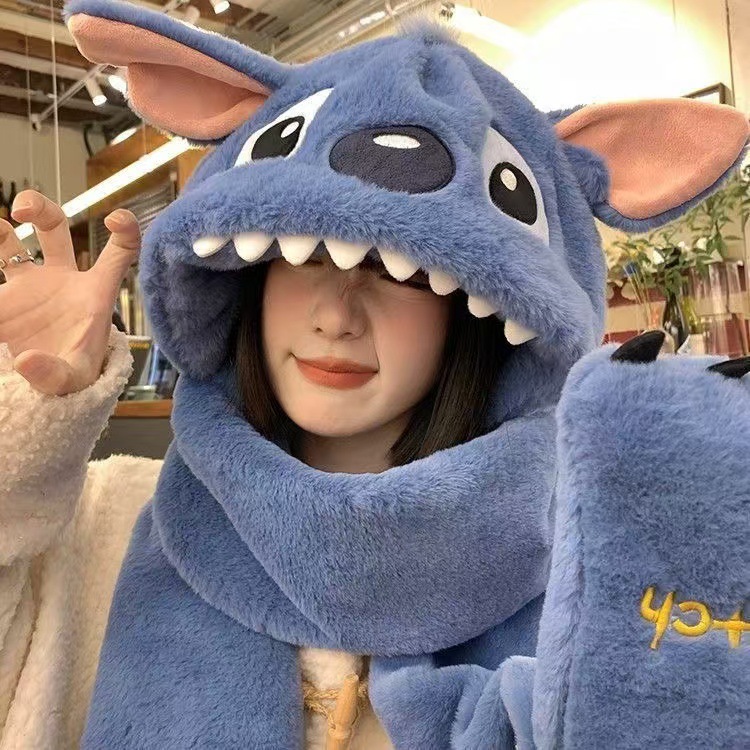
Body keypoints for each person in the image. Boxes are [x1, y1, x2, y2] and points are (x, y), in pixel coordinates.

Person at [2, 0, 749, 747]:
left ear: (475, 313)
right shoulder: (113, 522)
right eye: (303, 257)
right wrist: (20, 415)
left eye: (402, 274)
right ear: (247, 279)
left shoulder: (576, 571)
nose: (336, 316)